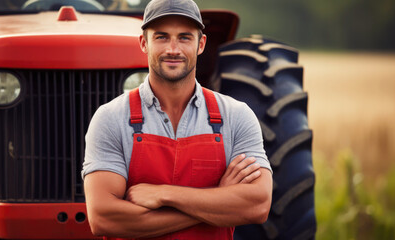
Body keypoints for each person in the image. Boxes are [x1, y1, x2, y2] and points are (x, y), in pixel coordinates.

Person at [81, 0, 273, 239]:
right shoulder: (111, 118)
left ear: (201, 44)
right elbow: (103, 218)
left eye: (184, 37)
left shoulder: (235, 116)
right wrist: (217, 199)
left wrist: (164, 194)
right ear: (144, 43)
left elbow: (257, 205)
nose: (173, 49)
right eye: (161, 37)